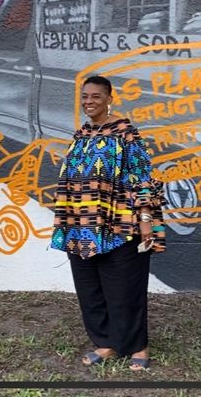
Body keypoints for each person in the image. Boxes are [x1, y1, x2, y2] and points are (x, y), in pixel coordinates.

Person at [50, 75, 165, 371]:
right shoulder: (81, 135)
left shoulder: (125, 133)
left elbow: (142, 177)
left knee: (125, 289)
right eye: (85, 96)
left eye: (96, 96)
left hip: (120, 226)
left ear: (109, 99)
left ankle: (137, 346)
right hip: (80, 226)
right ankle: (106, 343)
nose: (89, 101)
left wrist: (145, 222)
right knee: (90, 289)